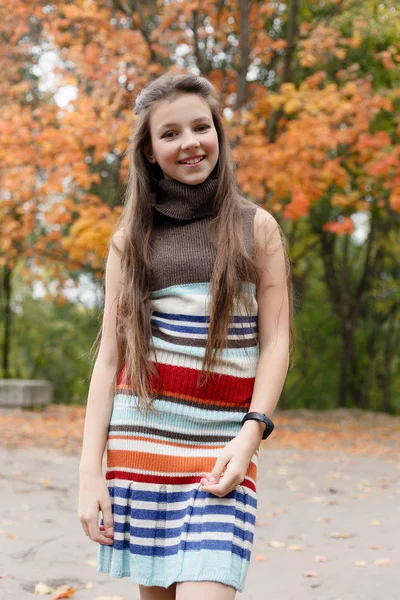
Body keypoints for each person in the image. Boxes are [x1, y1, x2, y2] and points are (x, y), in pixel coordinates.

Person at [78, 72, 293, 600]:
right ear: (150, 151)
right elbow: (110, 359)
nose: (190, 143)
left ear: (217, 132)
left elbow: (278, 341)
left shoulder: (256, 227)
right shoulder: (131, 238)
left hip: (224, 449)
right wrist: (90, 475)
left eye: (201, 127)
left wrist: (251, 434)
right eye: (169, 133)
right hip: (142, 445)